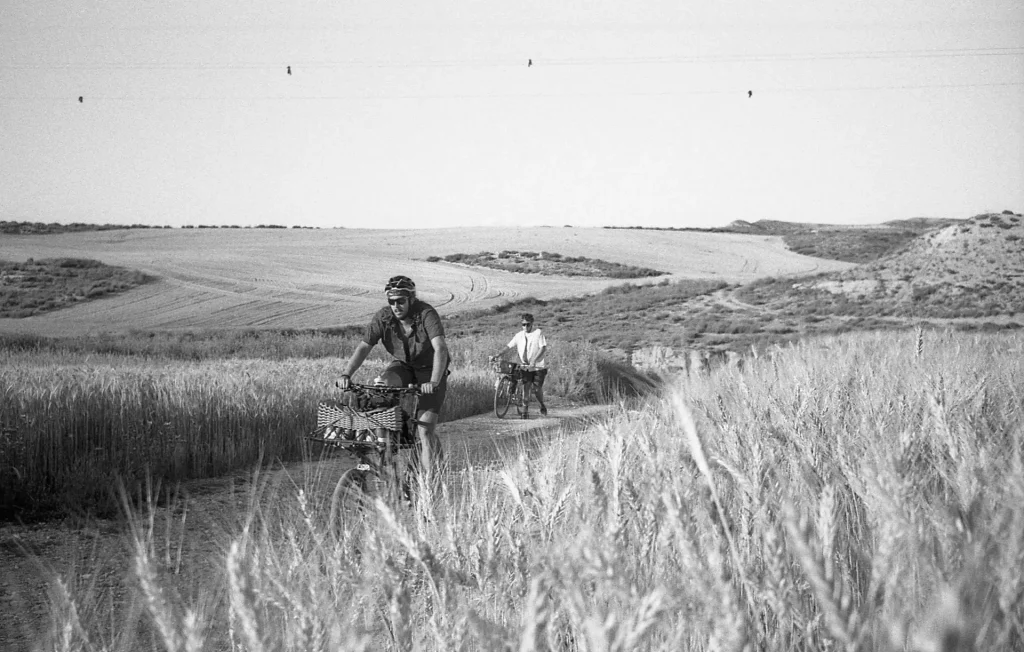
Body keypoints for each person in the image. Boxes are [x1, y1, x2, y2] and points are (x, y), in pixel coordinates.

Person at [337, 275, 449, 475]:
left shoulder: (426, 313)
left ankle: (428, 486)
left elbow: (440, 348)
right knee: (382, 387)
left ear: (411, 300)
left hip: (430, 369)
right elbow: (364, 346)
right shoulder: (384, 317)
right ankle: (389, 441)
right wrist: (346, 374)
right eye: (391, 301)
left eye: (400, 301)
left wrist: (433, 381)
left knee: (424, 429)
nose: (396, 306)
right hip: (404, 365)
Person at [491, 312, 548, 418]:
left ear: (532, 324)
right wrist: (498, 355)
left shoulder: (538, 333)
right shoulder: (519, 336)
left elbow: (543, 347)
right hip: (525, 366)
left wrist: (534, 360)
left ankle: (542, 404)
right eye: (523, 324)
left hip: (537, 366)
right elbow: (509, 346)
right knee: (526, 386)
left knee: (536, 389)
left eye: (528, 324)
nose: (525, 327)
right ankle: (525, 412)